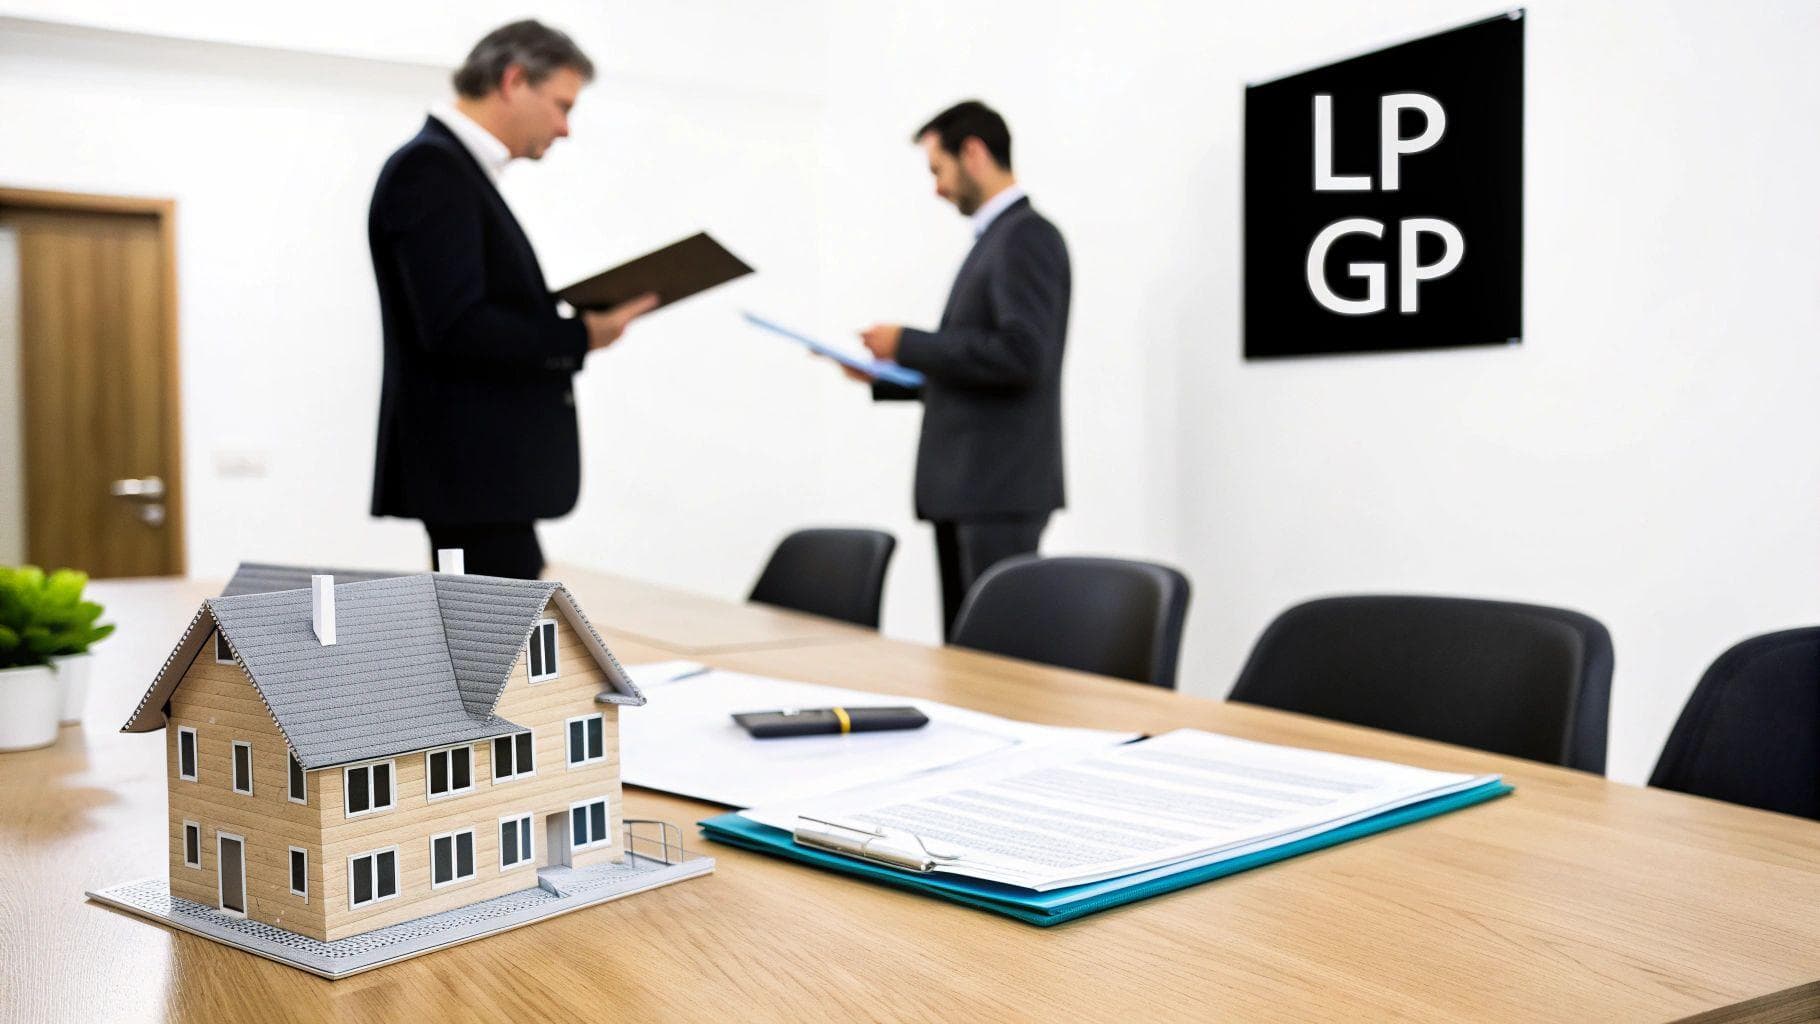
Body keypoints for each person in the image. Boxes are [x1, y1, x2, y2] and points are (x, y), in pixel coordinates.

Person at [368, 20, 657, 579]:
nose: (566, 128)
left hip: (483, 486)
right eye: (561, 105)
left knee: (507, 656)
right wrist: (582, 335)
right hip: (475, 483)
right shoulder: (431, 169)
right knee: (500, 661)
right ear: (514, 79)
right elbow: (458, 327)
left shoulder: (450, 169)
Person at [846, 100, 1071, 639]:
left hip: (998, 490)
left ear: (972, 153)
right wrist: (889, 374)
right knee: (966, 657)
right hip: (970, 491)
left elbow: (1023, 357)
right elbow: (980, 367)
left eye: (937, 169)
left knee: (997, 662)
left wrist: (910, 344)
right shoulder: (999, 240)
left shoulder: (1026, 237)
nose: (937, 188)